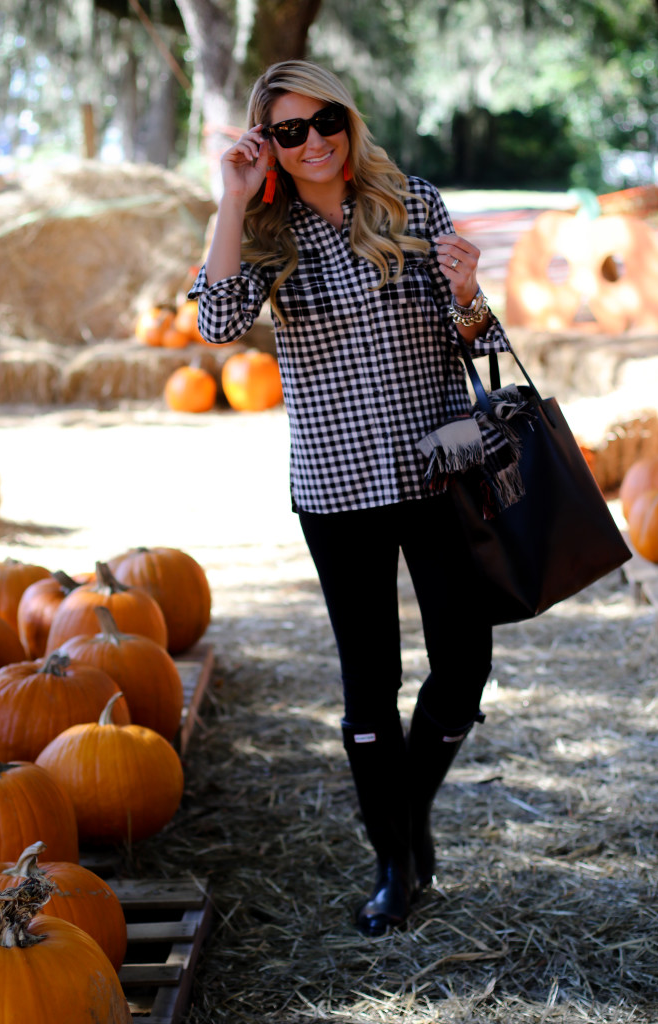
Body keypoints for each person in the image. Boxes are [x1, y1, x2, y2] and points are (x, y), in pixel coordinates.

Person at [189, 59, 514, 937]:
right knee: (367, 685)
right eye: (287, 131)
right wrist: (232, 197)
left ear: (346, 116)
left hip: (437, 470)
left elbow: (474, 338)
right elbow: (216, 326)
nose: (312, 141)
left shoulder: (412, 203)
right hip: (336, 487)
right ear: (269, 145)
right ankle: (395, 864)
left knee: (463, 664)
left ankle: (403, 815)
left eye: (322, 119)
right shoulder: (265, 234)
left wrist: (466, 294)